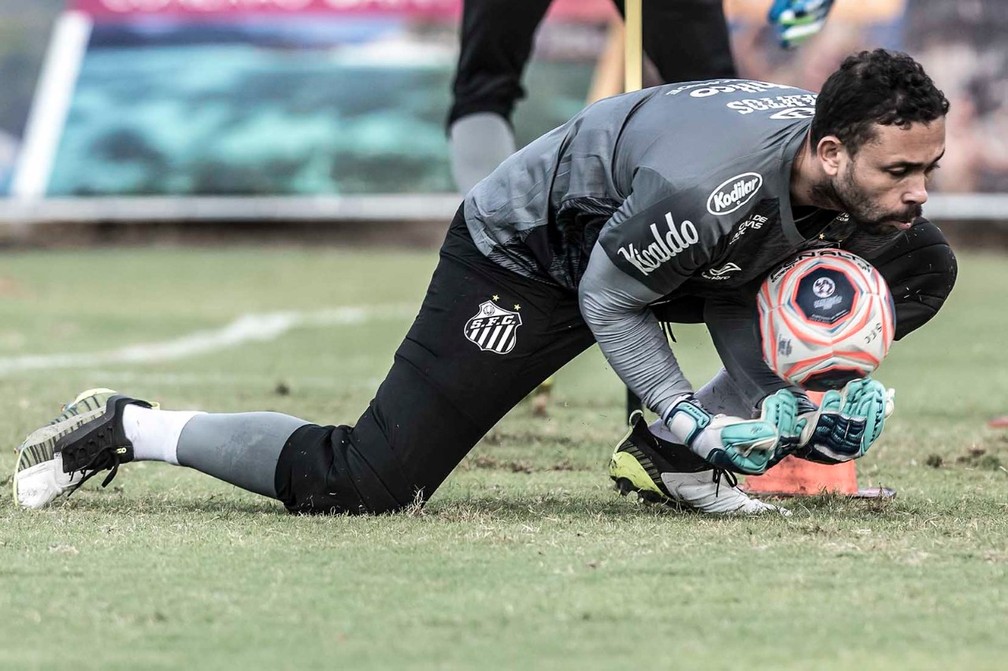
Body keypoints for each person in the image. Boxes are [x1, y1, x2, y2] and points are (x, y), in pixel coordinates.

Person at [15, 50, 956, 520]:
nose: (916, 191)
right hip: (531, 257)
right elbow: (615, 295)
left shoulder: (826, 167)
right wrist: (699, 414)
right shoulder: (716, 186)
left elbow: (738, 276)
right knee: (369, 481)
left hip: (651, 243)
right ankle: (128, 425)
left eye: (929, 169)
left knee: (918, 260)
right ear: (830, 152)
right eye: (899, 173)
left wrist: (815, 387)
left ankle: (671, 464)